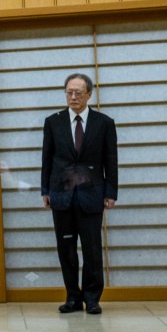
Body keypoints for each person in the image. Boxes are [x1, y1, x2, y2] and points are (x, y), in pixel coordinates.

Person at [41, 73, 118, 315]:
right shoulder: (53, 122)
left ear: (89, 95)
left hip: (92, 194)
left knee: (92, 249)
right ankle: (73, 297)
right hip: (61, 195)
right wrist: (45, 190)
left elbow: (111, 161)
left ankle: (92, 298)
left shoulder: (104, 123)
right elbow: (46, 160)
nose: (73, 97)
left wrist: (111, 192)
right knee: (66, 249)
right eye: (69, 92)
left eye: (78, 93)